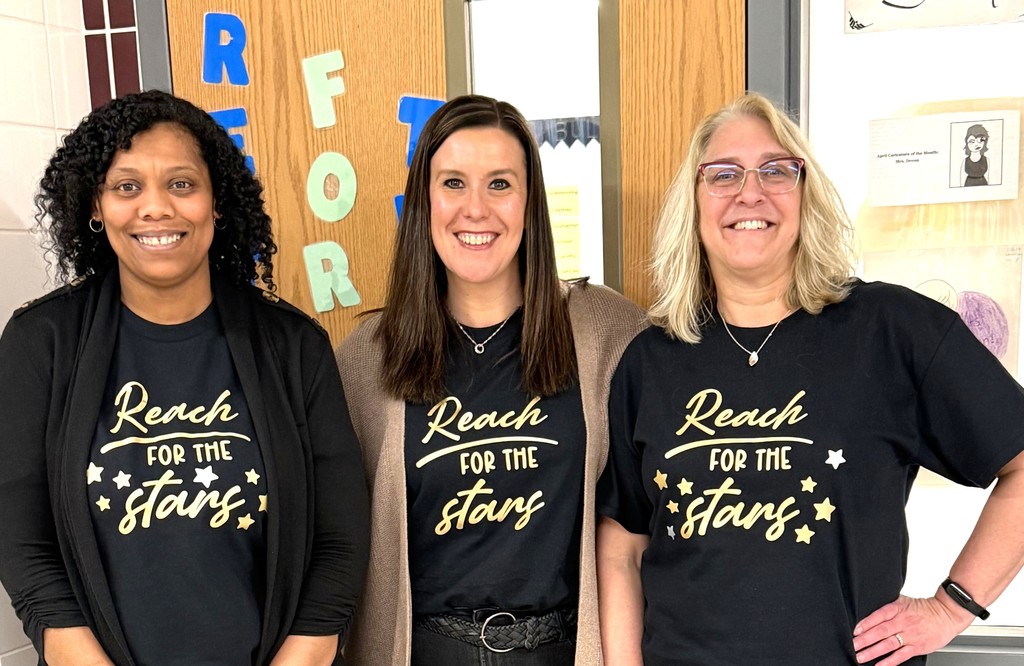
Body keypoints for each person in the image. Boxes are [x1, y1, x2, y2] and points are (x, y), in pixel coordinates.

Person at [595, 92, 1024, 665]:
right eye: (723, 175)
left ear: (807, 194)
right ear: (693, 205)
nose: (750, 192)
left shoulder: (892, 332)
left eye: (776, 170)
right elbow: (623, 544)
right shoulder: (651, 361)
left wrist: (953, 607)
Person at [0, 89, 370, 665]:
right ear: (96, 206)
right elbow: (24, 541)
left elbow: (339, 542)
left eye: (181, 184)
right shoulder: (40, 343)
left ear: (216, 201)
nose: (155, 208)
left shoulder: (293, 346)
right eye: (127, 187)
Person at [335, 94, 646, 665]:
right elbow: (330, 542)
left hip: (566, 650)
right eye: (453, 183)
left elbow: (657, 508)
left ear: (530, 204)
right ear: (425, 201)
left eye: (500, 184)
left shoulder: (607, 334)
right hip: (422, 652)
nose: (475, 209)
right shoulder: (367, 359)